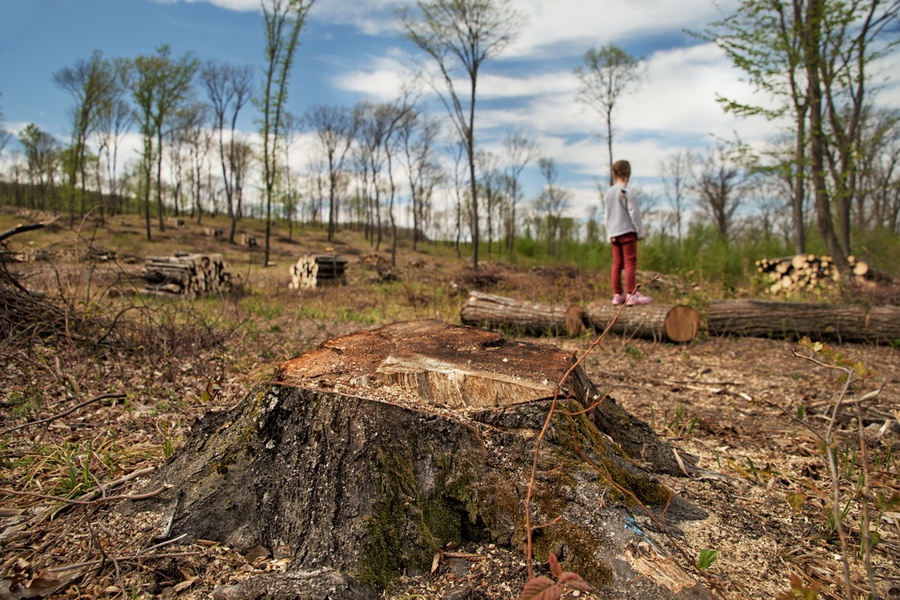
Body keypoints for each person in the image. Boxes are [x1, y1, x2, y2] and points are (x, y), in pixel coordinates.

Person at [605, 159, 651, 305]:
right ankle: (631, 294)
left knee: (617, 263)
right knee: (630, 262)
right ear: (628, 174)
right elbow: (634, 213)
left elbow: (606, 215)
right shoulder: (628, 191)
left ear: (614, 174)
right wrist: (640, 232)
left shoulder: (609, 193)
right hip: (627, 231)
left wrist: (609, 233)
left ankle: (618, 294)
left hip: (614, 233)